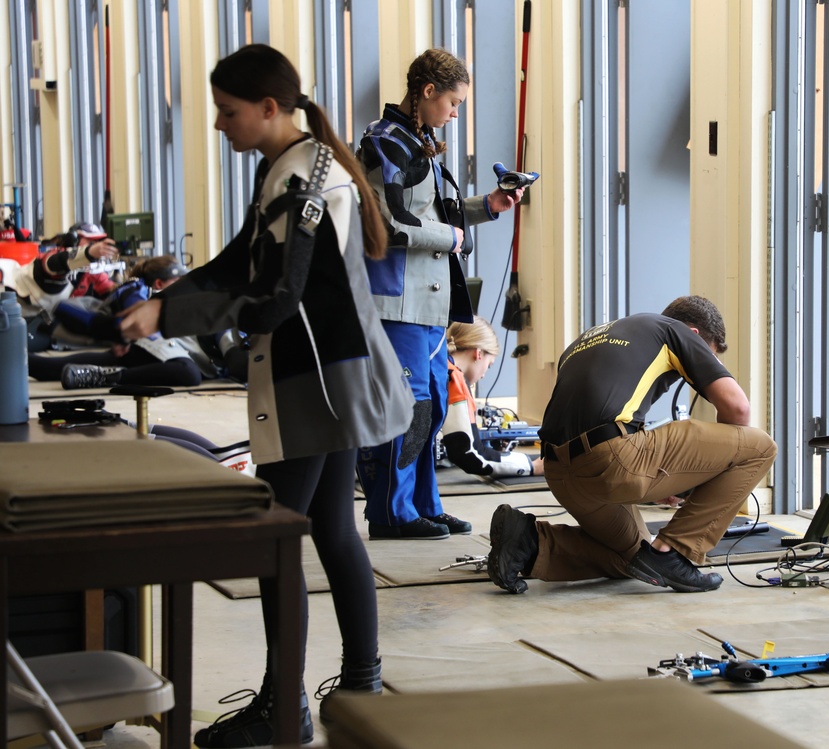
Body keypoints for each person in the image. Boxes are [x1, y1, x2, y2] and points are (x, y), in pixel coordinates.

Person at [118, 43, 414, 747]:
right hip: (331, 373)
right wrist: (169, 298)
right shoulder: (295, 164)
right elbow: (238, 260)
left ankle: (288, 708)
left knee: (279, 540)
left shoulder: (302, 183)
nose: (220, 125)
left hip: (316, 381)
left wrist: (172, 315)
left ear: (270, 108)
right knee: (333, 528)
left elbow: (274, 297)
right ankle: (360, 687)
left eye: (227, 112)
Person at [486, 295, 778, 595]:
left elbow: (597, 417)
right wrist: (715, 474)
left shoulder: (591, 338)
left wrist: (670, 477)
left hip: (560, 474)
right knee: (759, 447)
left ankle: (528, 540)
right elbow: (738, 410)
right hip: (609, 460)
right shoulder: (673, 331)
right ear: (694, 335)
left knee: (638, 559)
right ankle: (675, 552)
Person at [356, 48, 523, 540]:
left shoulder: (418, 138)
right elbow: (388, 221)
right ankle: (390, 514)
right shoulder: (384, 143)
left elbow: (434, 210)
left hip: (428, 304)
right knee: (405, 408)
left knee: (429, 408)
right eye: (453, 102)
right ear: (427, 92)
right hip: (396, 301)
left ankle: (422, 504)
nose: (456, 113)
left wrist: (488, 206)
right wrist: (452, 238)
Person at [29, 255, 203, 389]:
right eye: (178, 282)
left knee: (51, 368)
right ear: (159, 283)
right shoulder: (136, 290)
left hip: (119, 341)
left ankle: (15, 362)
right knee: (50, 367)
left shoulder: (138, 290)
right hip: (57, 329)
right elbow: (135, 319)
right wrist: (125, 337)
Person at [441, 315, 543, 477]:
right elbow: (471, 455)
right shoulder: (453, 378)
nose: (483, 375)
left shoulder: (438, 366)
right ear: (479, 353)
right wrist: (532, 466)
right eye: (489, 365)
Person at [0, 222, 119, 350]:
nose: (96, 247)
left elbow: (111, 291)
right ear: (73, 240)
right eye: (90, 242)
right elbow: (56, 263)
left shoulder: (91, 271)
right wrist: (88, 253)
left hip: (47, 325)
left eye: (98, 242)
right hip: (23, 322)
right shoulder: (52, 258)